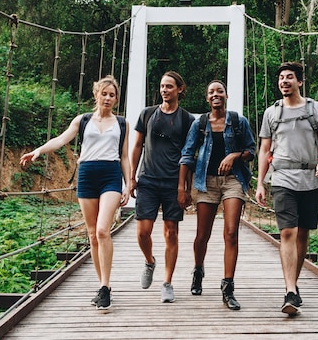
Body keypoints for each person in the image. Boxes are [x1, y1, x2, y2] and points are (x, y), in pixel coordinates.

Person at [20, 75, 130, 311]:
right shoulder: (83, 120)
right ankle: (104, 288)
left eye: (112, 95)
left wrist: (128, 184)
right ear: (96, 94)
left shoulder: (122, 123)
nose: (108, 98)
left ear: (116, 98)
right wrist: (38, 151)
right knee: (92, 234)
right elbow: (61, 140)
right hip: (87, 175)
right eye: (104, 93)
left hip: (110, 175)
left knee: (102, 230)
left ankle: (105, 285)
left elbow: (124, 156)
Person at [255, 62, 318, 315]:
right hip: (282, 178)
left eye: (289, 77)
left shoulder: (317, 109)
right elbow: (265, 150)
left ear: (300, 82)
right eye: (281, 78)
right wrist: (260, 182)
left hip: (310, 178)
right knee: (288, 232)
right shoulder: (272, 113)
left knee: (302, 235)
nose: (284, 81)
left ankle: (294, 286)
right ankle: (290, 290)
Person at [178, 80, 255, 310]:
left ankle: (228, 287)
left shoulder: (239, 121)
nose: (215, 95)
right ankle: (198, 269)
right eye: (211, 91)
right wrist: (182, 188)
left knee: (231, 232)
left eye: (219, 91)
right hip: (206, 181)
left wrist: (234, 156)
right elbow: (187, 155)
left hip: (233, 180)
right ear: (207, 97)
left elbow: (251, 151)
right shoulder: (199, 124)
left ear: (226, 95)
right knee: (202, 235)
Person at [129, 71, 194, 303]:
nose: (164, 90)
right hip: (148, 179)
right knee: (143, 231)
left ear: (180, 89)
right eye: (162, 86)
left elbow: (189, 155)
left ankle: (167, 283)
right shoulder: (147, 114)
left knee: (171, 232)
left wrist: (186, 188)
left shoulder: (187, 120)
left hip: (172, 183)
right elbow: (137, 146)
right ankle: (149, 261)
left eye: (169, 86)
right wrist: (131, 177)